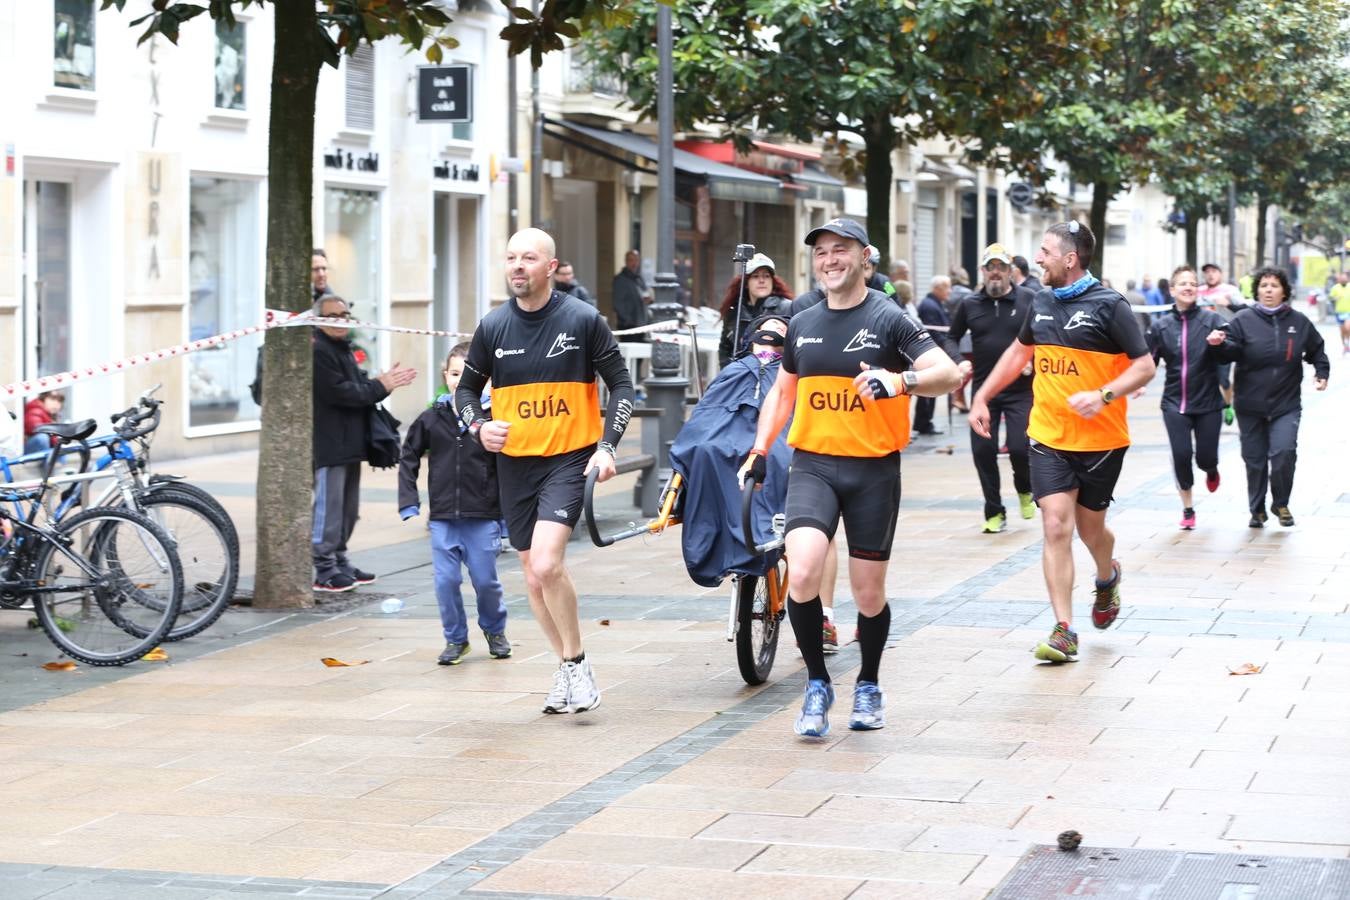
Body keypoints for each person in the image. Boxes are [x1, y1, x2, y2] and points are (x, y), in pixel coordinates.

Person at [738, 217, 960, 736]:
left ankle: (868, 684)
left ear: (864, 257)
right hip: (813, 464)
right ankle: (817, 684)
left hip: (873, 471)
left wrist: (900, 381)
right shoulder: (802, 322)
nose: (830, 259)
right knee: (803, 571)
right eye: (821, 252)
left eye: (841, 249)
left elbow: (948, 374)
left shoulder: (889, 318)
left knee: (868, 594)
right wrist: (759, 450)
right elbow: (784, 392)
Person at [456, 228, 636, 714]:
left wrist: (607, 448)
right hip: (515, 464)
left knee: (546, 563)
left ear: (551, 267)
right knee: (532, 575)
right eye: (511, 257)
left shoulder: (583, 320)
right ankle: (566, 667)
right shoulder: (493, 326)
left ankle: (576, 662)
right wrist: (478, 427)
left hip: (570, 458)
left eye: (529, 258)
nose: (517, 266)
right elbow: (465, 391)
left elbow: (622, 386)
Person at [969, 222, 1156, 664]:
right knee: (1056, 525)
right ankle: (1064, 630)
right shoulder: (1041, 300)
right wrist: (982, 396)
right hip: (1048, 435)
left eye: (1045, 251)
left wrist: (1103, 394)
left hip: (1102, 440)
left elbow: (1144, 366)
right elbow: (1019, 353)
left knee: (1091, 531)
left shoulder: (1110, 306)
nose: (1037, 258)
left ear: (1069, 259)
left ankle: (1107, 577)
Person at [398, 343, 510, 666]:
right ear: (445, 376)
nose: (461, 380)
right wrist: (409, 501)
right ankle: (456, 639)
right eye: (455, 373)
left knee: (486, 582)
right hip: (443, 519)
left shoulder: (494, 421)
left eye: (470, 374)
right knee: (445, 582)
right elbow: (409, 455)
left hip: (483, 516)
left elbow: (509, 468)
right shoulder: (432, 417)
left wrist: (507, 517)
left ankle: (495, 630)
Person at [1206, 267, 1329, 528]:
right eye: (1263, 286)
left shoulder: (1298, 321)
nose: (1268, 290)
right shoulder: (1243, 319)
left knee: (1284, 452)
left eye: (1274, 285)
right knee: (1255, 459)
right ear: (1257, 291)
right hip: (1250, 404)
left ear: (1284, 291)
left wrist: (1321, 372)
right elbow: (1229, 352)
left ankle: (1280, 503)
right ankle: (1257, 509)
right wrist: (1218, 345)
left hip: (1286, 404)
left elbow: (1316, 349)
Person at [312, 295, 417, 592]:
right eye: (332, 316)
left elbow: (358, 389)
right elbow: (342, 393)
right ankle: (324, 569)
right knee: (329, 510)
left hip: (349, 444)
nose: (340, 321)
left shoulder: (342, 348)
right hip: (329, 446)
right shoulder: (318, 350)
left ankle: (339, 560)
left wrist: (381, 383)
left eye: (344, 315)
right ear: (318, 319)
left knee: (347, 509)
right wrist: (381, 385)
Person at [947, 244, 1035, 533]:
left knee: (1020, 448)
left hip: (1021, 390)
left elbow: (1046, 335)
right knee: (983, 451)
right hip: (984, 393)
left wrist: (1032, 360)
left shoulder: (1029, 299)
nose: (995, 272)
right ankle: (994, 510)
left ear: (1011, 271)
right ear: (982, 271)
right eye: (990, 267)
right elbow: (951, 337)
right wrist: (959, 361)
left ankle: (1025, 488)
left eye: (1001, 267)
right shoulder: (969, 304)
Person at [1146, 266, 1229, 531]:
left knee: (1205, 457)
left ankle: (1211, 469)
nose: (1188, 287)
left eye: (1193, 283)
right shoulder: (1160, 326)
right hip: (1174, 403)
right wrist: (1138, 385)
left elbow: (1228, 355)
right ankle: (1188, 508)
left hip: (1208, 403)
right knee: (1181, 455)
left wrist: (1220, 344)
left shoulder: (1212, 320)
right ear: (1172, 290)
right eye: (1182, 283)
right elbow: (1148, 362)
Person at [718, 252, 793, 366]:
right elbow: (725, 349)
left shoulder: (787, 308)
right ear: (746, 283)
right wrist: (730, 372)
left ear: (773, 281)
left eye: (766, 276)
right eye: (755, 276)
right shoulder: (734, 312)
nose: (761, 280)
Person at [913, 275, 953, 435]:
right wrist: (946, 347)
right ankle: (923, 422)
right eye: (947, 287)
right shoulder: (929, 306)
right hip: (930, 354)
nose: (949, 291)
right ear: (938, 288)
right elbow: (933, 332)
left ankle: (924, 422)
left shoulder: (936, 304)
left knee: (931, 389)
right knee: (927, 390)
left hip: (934, 351)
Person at [611, 249, 650, 341]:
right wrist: (628, 320)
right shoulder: (620, 279)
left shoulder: (639, 278)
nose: (634, 263)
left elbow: (645, 294)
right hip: (628, 326)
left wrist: (648, 301)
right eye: (631, 260)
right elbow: (617, 303)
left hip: (641, 324)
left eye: (636, 260)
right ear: (626, 261)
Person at [23, 390, 65, 455]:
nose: (56, 404)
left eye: (59, 401)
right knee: (42, 438)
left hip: (41, 448)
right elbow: (37, 428)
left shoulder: (50, 415)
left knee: (60, 447)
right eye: (52, 399)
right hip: (28, 450)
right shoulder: (35, 410)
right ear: (43, 399)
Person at [1329, 270, 1350, 354]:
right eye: (1342, 278)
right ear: (1340, 279)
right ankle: (1344, 345)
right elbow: (1331, 298)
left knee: (1348, 327)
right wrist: (1336, 298)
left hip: (1348, 311)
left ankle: (1347, 343)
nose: (1344, 280)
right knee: (1342, 330)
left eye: (1345, 278)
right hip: (1339, 312)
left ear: (1348, 279)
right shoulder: (1335, 288)